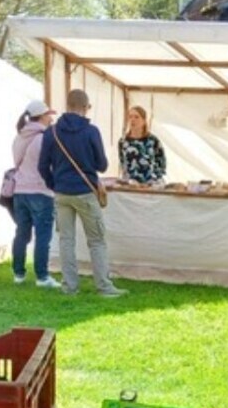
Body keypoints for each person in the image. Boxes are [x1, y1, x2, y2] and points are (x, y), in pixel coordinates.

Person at [39, 88, 128, 297]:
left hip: (61, 193)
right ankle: (104, 286)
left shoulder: (51, 132)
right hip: (85, 191)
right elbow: (102, 165)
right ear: (86, 107)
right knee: (96, 240)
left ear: (67, 105)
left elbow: (43, 166)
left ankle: (69, 287)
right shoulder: (91, 131)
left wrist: (55, 184)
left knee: (66, 241)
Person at [11, 100, 62, 289]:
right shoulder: (43, 138)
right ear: (41, 116)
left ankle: (18, 273)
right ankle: (42, 276)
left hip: (19, 191)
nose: (51, 118)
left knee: (21, 234)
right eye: (49, 114)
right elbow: (48, 165)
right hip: (40, 190)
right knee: (43, 236)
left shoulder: (19, 137)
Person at [118, 106, 167, 186]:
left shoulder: (153, 140)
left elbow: (161, 162)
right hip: (131, 185)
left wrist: (155, 179)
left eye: (136, 117)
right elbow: (123, 162)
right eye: (130, 117)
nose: (133, 120)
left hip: (151, 184)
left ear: (144, 120)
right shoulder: (123, 142)